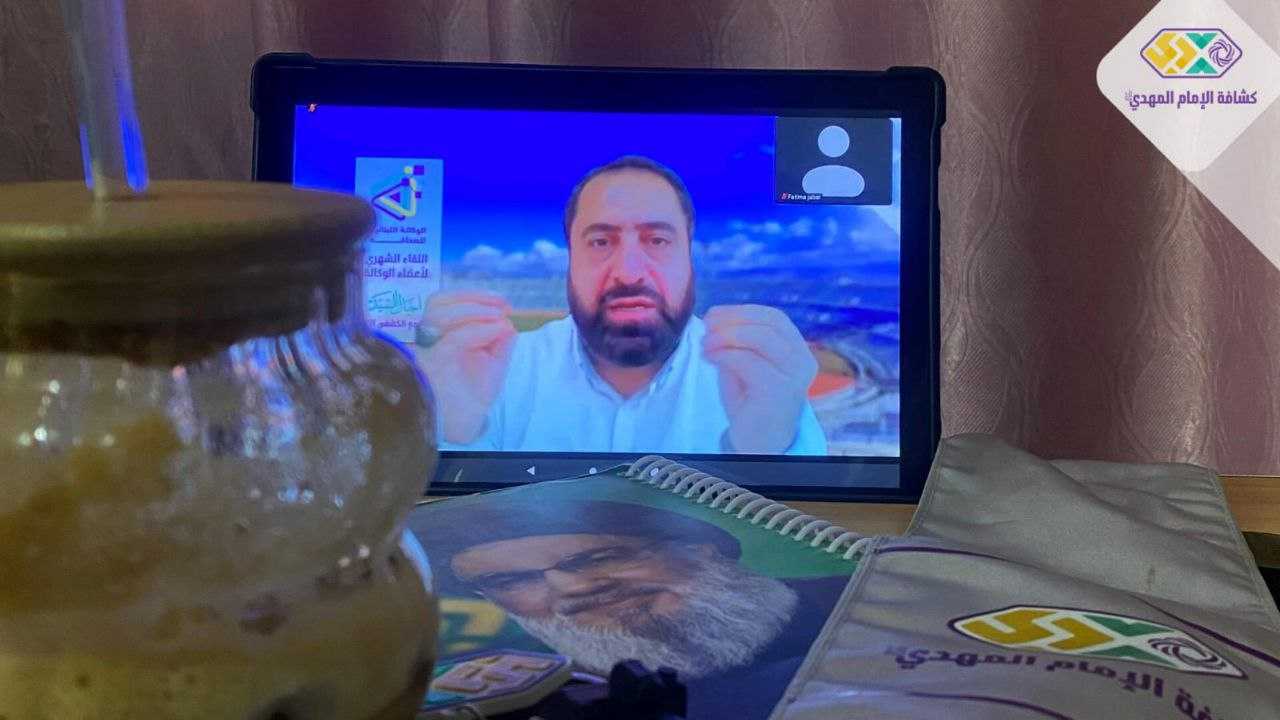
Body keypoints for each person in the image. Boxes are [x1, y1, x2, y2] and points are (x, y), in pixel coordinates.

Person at [416, 155, 827, 454]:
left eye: (657, 240)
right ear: (569, 258)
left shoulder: (759, 380)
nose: (629, 272)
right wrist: (453, 427)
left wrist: (768, 443)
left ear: (690, 256)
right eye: (600, 241)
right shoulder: (496, 372)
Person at [419, 500, 849, 719]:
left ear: (700, 549)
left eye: (597, 558)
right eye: (511, 582)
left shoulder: (857, 601)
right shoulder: (543, 698)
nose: (573, 588)